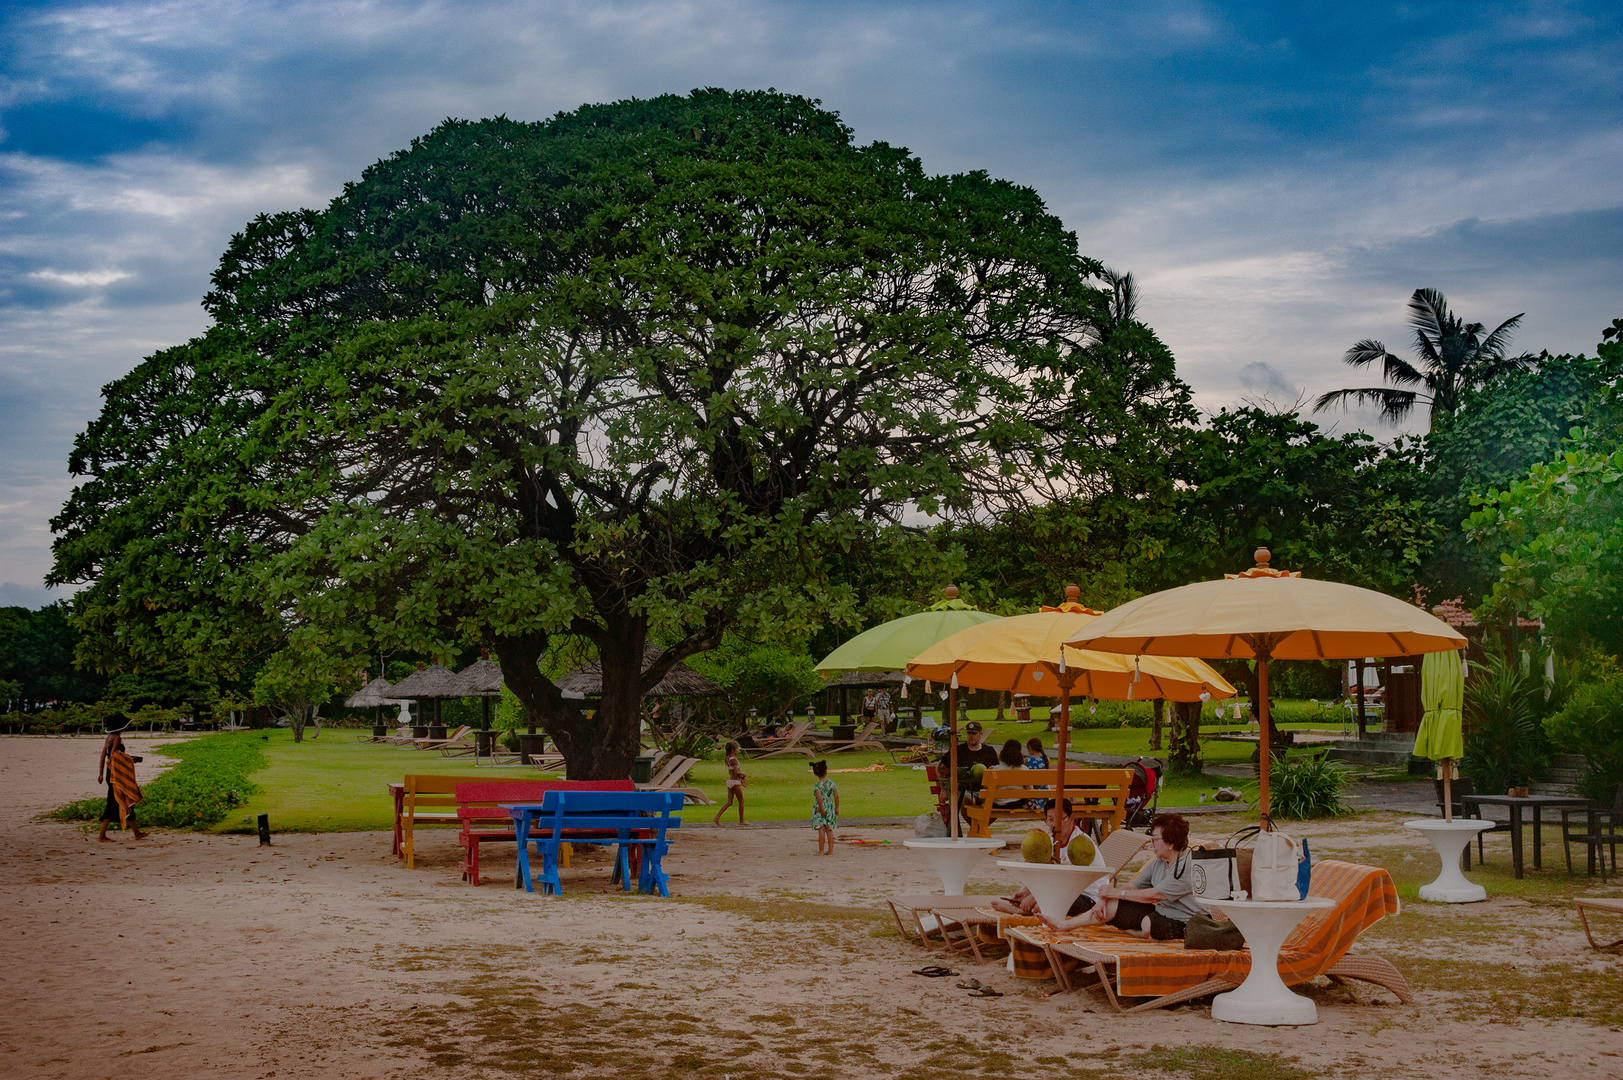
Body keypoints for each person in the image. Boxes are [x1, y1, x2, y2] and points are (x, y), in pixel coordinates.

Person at [1040, 812, 1205, 940]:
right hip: (1160, 913)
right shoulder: (1159, 862)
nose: (1151, 843)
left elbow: (1157, 894)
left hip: (1185, 922)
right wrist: (1105, 899)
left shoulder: (1188, 865)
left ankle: (1139, 933)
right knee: (1110, 906)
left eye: (1155, 839)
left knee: (1148, 925)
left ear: (1170, 843)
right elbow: (1132, 886)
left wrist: (1117, 893)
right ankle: (1065, 925)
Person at [991, 800, 1102, 917]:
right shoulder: (1050, 843)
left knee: (1048, 901)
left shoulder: (1081, 845)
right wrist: (1027, 889)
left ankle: (1021, 911)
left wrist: (1035, 896)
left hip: (1088, 900)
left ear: (1071, 818)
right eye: (1050, 820)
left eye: (1060, 819)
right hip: (1064, 893)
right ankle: (1026, 907)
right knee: (1040, 897)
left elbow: (1067, 883)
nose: (1054, 824)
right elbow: (1043, 873)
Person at [97, 718, 147, 842]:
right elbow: (114, 755)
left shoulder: (108, 738)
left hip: (110, 772)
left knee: (122, 800)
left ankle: (136, 832)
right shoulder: (117, 739)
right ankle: (102, 836)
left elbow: (104, 756)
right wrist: (129, 759)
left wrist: (101, 774)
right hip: (116, 774)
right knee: (117, 801)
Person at [712, 740, 746, 825]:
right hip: (735, 782)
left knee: (729, 802)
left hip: (730, 781)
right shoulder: (734, 759)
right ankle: (741, 820)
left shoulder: (729, 759)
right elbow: (736, 773)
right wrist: (743, 775)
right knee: (741, 800)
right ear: (733, 750)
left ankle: (717, 817)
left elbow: (730, 772)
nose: (738, 750)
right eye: (737, 748)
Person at [810, 759, 839, 855]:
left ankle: (821, 850)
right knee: (829, 829)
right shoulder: (832, 783)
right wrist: (836, 808)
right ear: (826, 771)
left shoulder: (817, 786)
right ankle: (830, 850)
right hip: (830, 807)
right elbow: (836, 796)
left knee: (821, 830)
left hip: (820, 808)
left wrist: (821, 809)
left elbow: (819, 798)